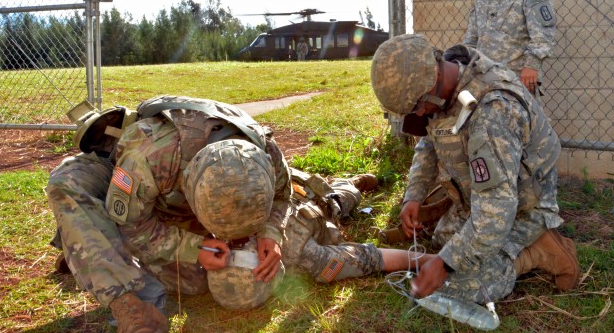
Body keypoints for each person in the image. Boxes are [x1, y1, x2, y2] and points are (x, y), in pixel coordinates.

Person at [48, 95, 427, 332]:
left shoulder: (266, 154)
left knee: (309, 196)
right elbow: (131, 224)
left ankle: (344, 188)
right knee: (67, 180)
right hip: (158, 188)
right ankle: (128, 304)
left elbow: (281, 199)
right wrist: (192, 248)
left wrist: (270, 234)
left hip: (256, 203)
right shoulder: (148, 159)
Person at [370, 34, 579, 306]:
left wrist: (445, 264)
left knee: (455, 286)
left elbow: (496, 210)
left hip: (520, 206)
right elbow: (428, 143)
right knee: (443, 239)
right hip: (484, 197)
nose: (419, 115)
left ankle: (537, 249)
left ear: (431, 85)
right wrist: (414, 195)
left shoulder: (493, 113)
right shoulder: (444, 80)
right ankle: (490, 239)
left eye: (418, 107)